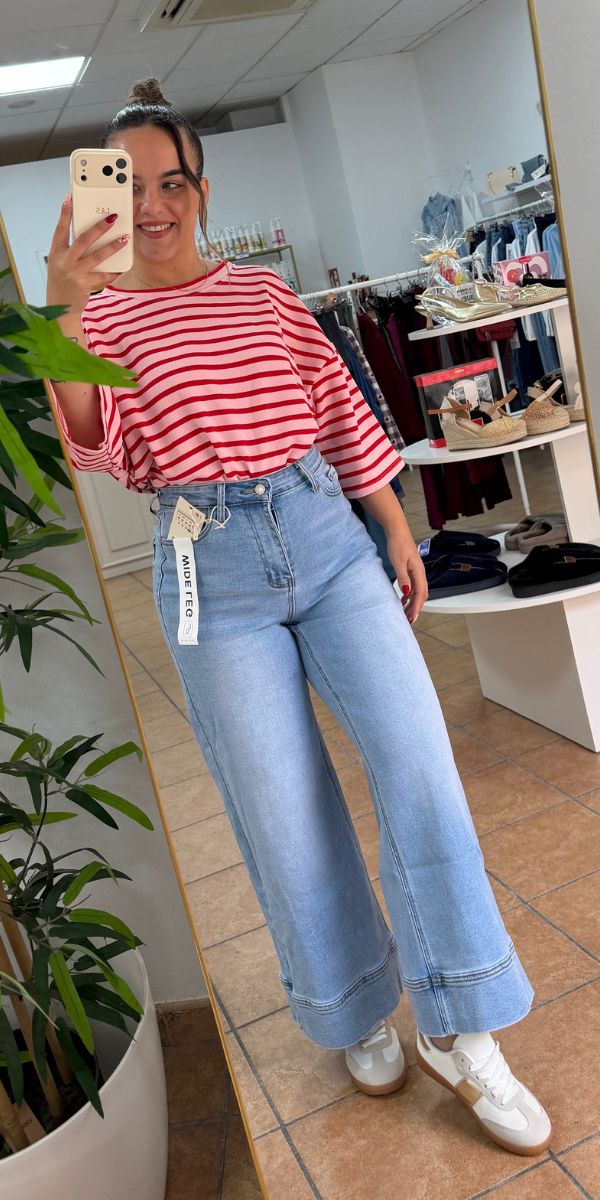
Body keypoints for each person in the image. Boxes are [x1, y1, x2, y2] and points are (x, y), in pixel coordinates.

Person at [45, 76, 551, 1158]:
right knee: (282, 810)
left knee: (419, 768)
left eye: (171, 182)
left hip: (324, 536)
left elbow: (337, 411)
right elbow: (90, 442)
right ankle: (356, 1007)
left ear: (201, 188)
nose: (152, 206)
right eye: (128, 187)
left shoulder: (265, 295)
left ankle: (462, 1022)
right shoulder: (101, 316)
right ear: (100, 199)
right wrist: (62, 296)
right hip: (207, 564)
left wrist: (396, 525)